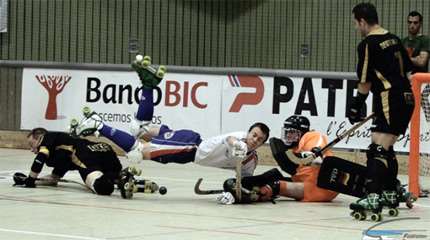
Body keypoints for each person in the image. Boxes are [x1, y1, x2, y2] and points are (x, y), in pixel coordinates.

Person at [73, 55, 270, 185]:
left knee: (140, 129)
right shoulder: (239, 138)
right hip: (189, 147)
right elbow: (230, 140)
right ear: (248, 132)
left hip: (189, 146)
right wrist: (238, 144)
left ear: (262, 143)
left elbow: (245, 180)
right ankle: (98, 124)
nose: (254, 139)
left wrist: (245, 189)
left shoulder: (251, 161)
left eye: (259, 139)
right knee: (137, 152)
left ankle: (148, 85)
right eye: (253, 134)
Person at [348, 2, 415, 217]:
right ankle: (389, 192)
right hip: (404, 97)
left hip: (389, 98)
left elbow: (365, 81)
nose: (356, 28)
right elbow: (410, 71)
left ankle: (373, 195)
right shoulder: (394, 38)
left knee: (378, 150)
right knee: (382, 146)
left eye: (356, 24)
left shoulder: (368, 43)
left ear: (363, 21)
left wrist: (356, 104)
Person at [217, 115, 338, 204]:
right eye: (287, 132)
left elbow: (319, 152)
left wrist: (313, 154)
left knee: (276, 185)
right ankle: (244, 184)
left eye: (292, 132)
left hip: (320, 187)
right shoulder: (294, 148)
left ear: (302, 132)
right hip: (308, 181)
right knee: (273, 174)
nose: (288, 136)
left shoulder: (311, 136)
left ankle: (249, 197)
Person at [13, 127, 124, 196]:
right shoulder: (61, 152)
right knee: (117, 176)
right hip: (103, 148)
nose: (31, 150)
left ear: (40, 138)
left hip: (84, 153)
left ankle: (111, 181)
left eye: (32, 145)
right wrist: (31, 180)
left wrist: (30, 180)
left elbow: (40, 159)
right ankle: (122, 178)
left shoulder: (46, 139)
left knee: (100, 187)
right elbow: (53, 179)